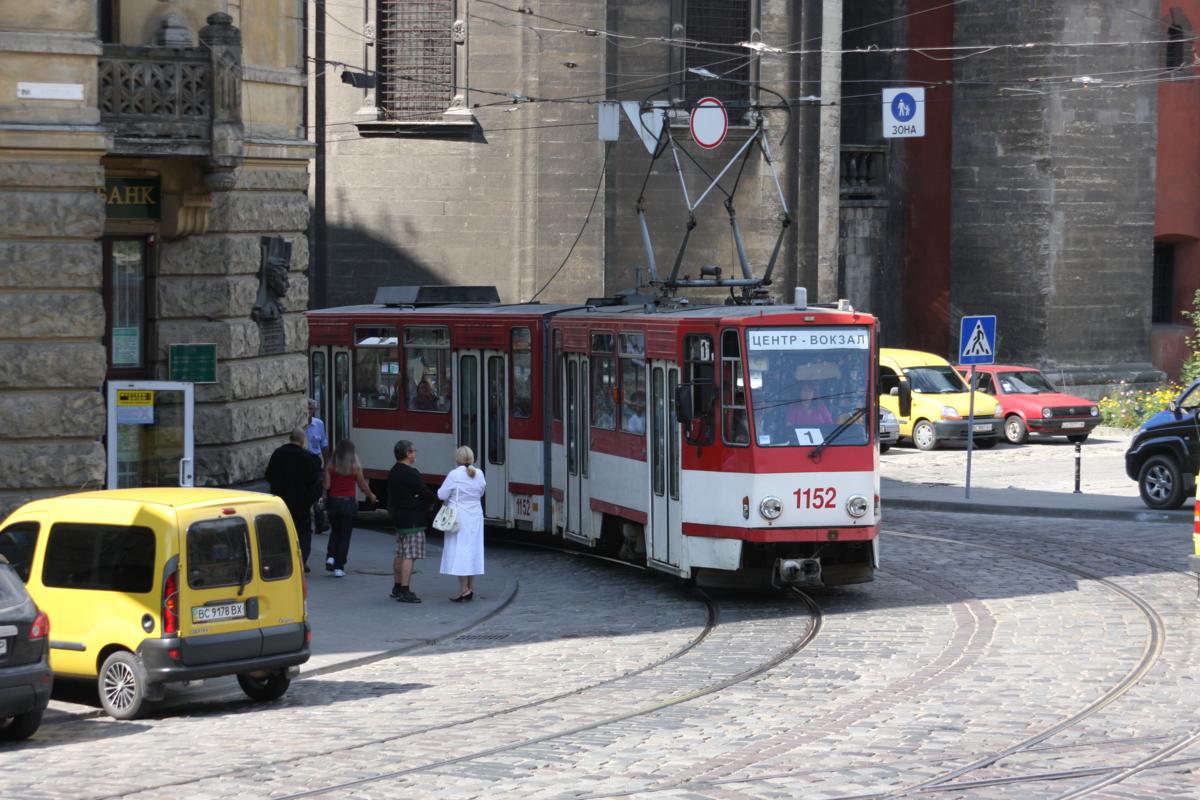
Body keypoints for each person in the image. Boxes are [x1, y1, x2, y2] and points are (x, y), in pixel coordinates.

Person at [265, 427, 323, 573]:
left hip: (280, 503)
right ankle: (300, 563)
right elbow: (314, 482)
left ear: (290, 438)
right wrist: (311, 499)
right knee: (302, 534)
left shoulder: (278, 454)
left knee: (282, 533)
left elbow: (268, 475)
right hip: (301, 504)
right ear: (302, 441)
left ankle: (282, 562)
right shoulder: (306, 457)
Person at [387, 440, 436, 603]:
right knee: (410, 555)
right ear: (408, 454)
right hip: (412, 519)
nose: (415, 453)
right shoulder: (410, 472)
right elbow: (424, 492)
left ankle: (396, 586)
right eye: (414, 451)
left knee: (400, 553)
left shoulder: (393, 471)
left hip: (399, 517)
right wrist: (433, 501)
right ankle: (405, 590)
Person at [436, 445, 486, 602]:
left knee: (460, 552)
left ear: (457, 459)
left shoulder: (454, 474)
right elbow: (481, 492)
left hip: (458, 517)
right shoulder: (479, 473)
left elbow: (441, 494)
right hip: (476, 517)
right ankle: (471, 587)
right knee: (472, 550)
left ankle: (464, 589)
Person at [323, 439, 377, 577]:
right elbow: (363, 486)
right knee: (345, 536)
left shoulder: (331, 467)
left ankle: (330, 557)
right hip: (348, 504)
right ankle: (339, 568)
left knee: (335, 531)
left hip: (333, 502)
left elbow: (327, 486)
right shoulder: (355, 468)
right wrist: (371, 496)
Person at [304, 399, 330, 535]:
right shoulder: (300, 425)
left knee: (317, 493)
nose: (309, 411)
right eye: (307, 408)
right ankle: (306, 523)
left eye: (311, 409)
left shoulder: (319, 424)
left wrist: (326, 465)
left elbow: (324, 445)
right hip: (303, 459)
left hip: (314, 461)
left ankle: (320, 523)